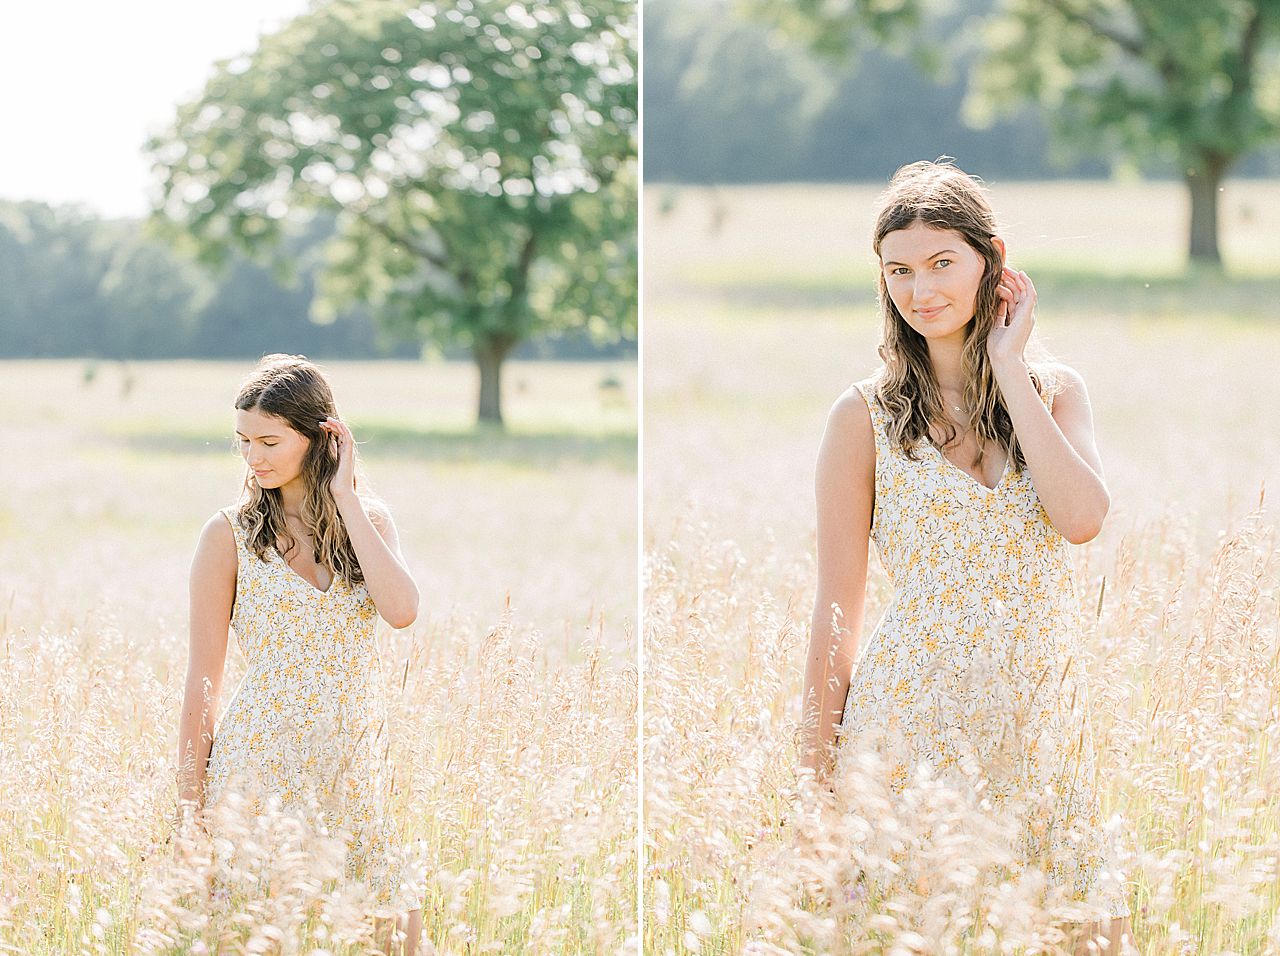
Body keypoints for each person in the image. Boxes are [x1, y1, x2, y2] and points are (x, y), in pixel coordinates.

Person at [801, 160, 1132, 953]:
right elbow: (836, 605)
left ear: (994, 261)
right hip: (910, 721)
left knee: (1090, 934)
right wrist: (814, 787)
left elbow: (1081, 518)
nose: (922, 291)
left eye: (943, 263)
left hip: (1040, 725)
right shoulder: (864, 417)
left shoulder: (1053, 391)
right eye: (900, 271)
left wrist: (1009, 366)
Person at [176, 354, 423, 955]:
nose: (253, 458)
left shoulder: (369, 521)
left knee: (399, 940)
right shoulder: (227, 535)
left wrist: (345, 497)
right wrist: (190, 810)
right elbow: (201, 682)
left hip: (353, 770)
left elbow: (402, 609)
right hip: (256, 768)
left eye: (269, 440)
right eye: (243, 441)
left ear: (320, 437)